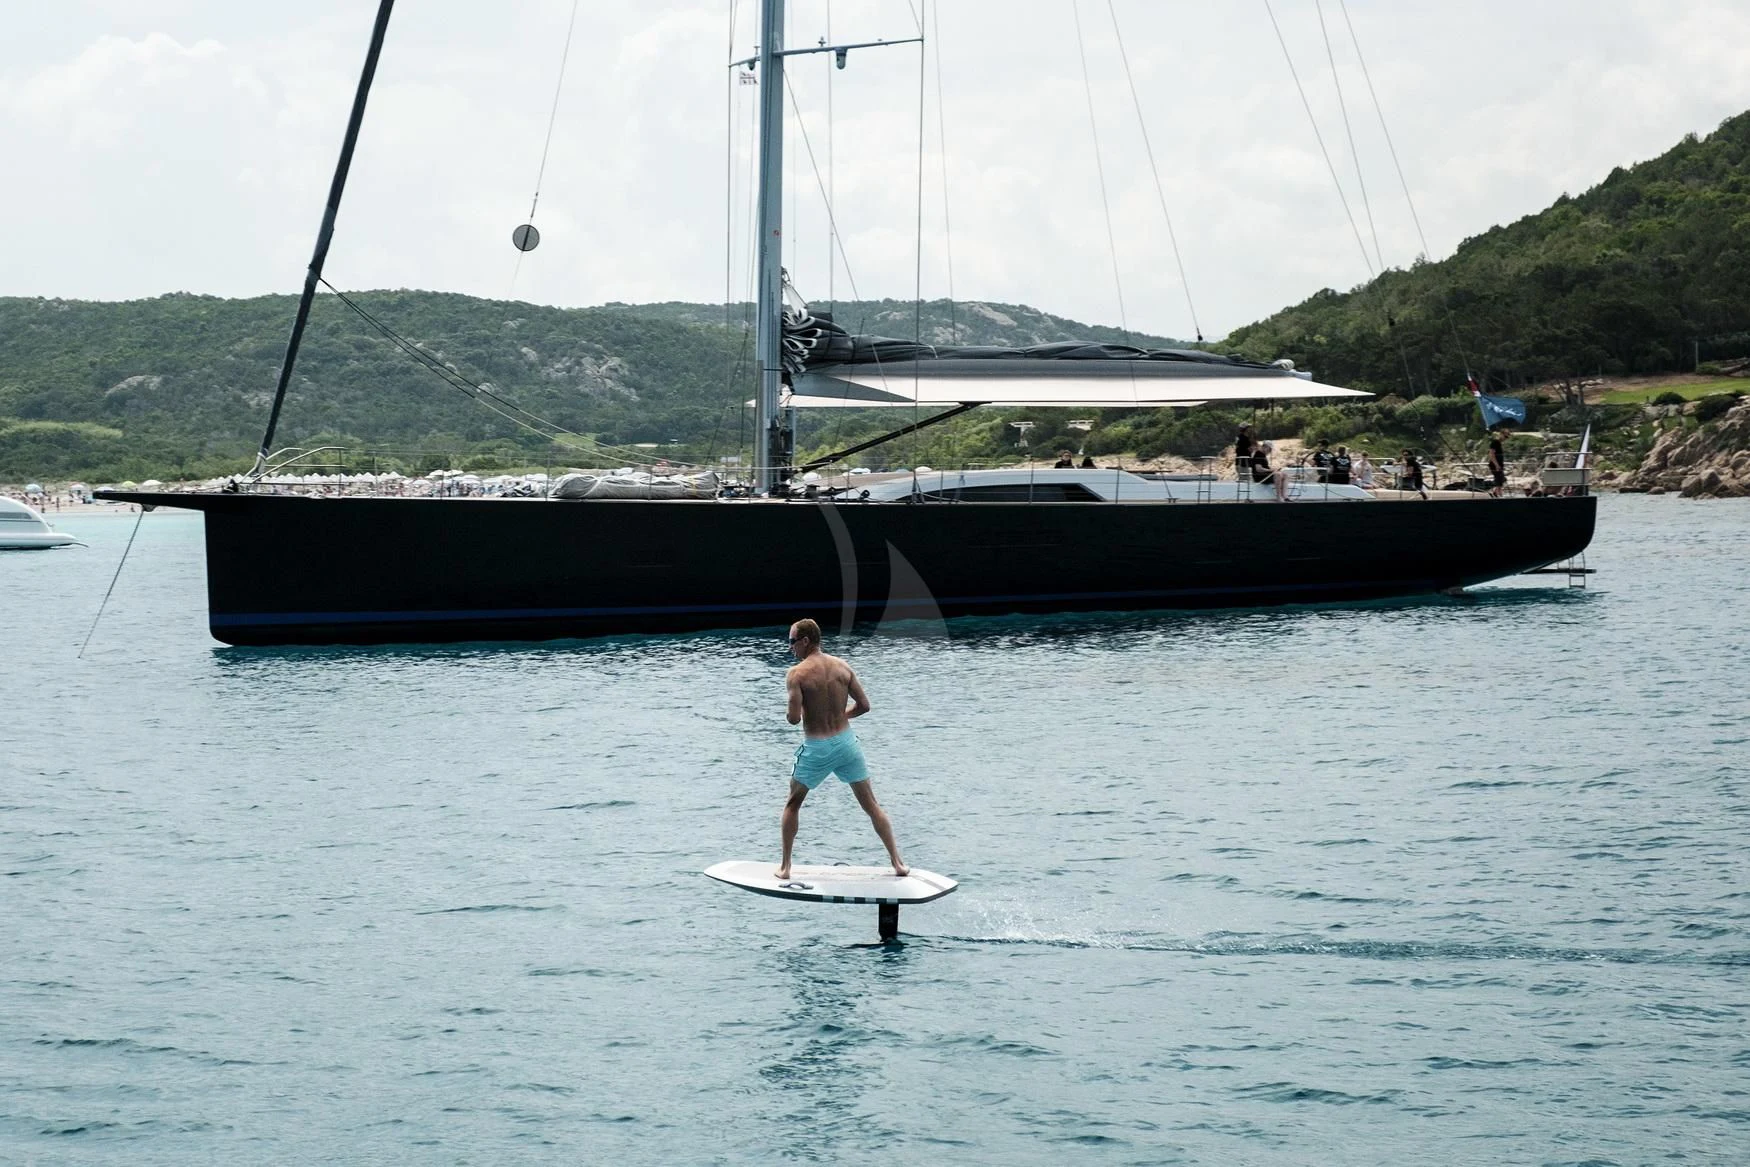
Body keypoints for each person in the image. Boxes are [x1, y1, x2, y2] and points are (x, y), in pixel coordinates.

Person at [775, 619, 907, 881]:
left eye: (792, 642)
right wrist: (839, 715)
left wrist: (799, 711)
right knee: (871, 804)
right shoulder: (842, 667)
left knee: (792, 804)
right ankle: (899, 863)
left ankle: (786, 867)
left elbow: (793, 719)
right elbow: (864, 705)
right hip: (847, 744)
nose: (789, 648)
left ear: (805, 641)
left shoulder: (796, 674)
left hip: (817, 747)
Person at [1487, 430, 1507, 498]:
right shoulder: (1495, 442)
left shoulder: (1499, 443)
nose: (1505, 438)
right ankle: (1499, 495)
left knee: (1501, 480)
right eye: (1505, 436)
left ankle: (1495, 493)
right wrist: (1497, 465)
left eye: (1507, 437)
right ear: (1501, 434)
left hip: (1499, 465)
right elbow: (1491, 454)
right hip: (1495, 465)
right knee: (1499, 480)